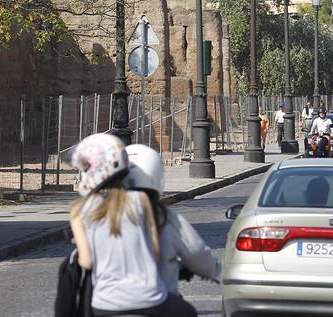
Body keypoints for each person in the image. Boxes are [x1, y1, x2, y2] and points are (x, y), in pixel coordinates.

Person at [69, 133, 196, 317]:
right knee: (188, 312)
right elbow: (155, 251)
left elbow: (86, 261)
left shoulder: (77, 211)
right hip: (149, 300)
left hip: (104, 304)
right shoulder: (141, 200)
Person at [124, 144, 221, 295]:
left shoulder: (97, 217)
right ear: (156, 176)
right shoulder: (166, 218)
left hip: (102, 305)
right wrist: (214, 269)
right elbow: (196, 252)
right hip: (154, 301)